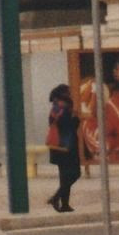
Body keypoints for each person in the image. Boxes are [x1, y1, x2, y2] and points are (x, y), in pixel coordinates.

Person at [46, 83, 80, 212]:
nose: (70, 94)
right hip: (67, 146)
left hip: (57, 147)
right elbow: (69, 126)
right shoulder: (64, 107)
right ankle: (56, 197)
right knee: (75, 173)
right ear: (64, 94)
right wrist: (76, 118)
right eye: (68, 92)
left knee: (64, 176)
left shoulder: (55, 107)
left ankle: (64, 204)